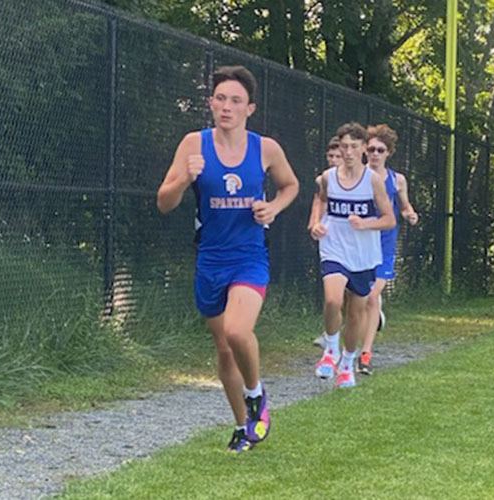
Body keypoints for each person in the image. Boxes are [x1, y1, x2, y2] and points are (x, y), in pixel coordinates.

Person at [157, 65, 299, 452]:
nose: (226, 107)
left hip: (250, 257)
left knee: (238, 331)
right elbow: (164, 203)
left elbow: (291, 185)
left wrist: (273, 207)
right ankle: (242, 426)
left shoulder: (265, 148)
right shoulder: (193, 145)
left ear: (249, 108)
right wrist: (185, 179)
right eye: (220, 98)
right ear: (210, 103)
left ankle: (257, 395)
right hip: (210, 259)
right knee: (223, 348)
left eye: (235, 100)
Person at [309, 122, 395, 388]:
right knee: (333, 300)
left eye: (353, 147)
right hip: (334, 246)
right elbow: (321, 200)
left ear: (363, 150)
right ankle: (330, 350)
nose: (347, 152)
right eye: (344, 146)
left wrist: (365, 224)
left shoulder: (374, 182)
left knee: (356, 312)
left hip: (363, 253)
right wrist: (315, 223)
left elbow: (389, 219)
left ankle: (347, 364)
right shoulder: (328, 177)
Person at [356, 124, 419, 375]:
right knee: (355, 300)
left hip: (384, 244)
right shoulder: (356, 177)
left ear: (388, 152)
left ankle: (365, 354)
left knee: (371, 297)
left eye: (380, 150)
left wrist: (410, 214)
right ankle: (369, 324)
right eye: (370, 149)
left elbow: (404, 206)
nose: (374, 154)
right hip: (359, 243)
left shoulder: (397, 179)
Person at [308, 136, 344, 348]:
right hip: (331, 239)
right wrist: (314, 223)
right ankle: (331, 335)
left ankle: (370, 312)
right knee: (333, 294)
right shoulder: (324, 179)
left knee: (352, 296)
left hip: (354, 242)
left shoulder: (364, 179)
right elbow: (318, 201)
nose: (333, 159)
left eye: (337, 156)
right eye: (330, 156)